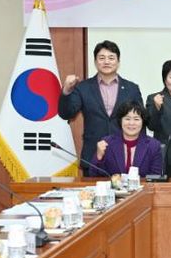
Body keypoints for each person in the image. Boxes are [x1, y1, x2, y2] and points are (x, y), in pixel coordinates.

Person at [58, 40, 143, 175]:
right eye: (102, 58)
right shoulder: (83, 87)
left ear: (118, 62)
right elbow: (66, 113)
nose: (106, 62)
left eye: (111, 58)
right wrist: (66, 91)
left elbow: (141, 121)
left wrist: (140, 153)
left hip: (124, 156)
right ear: (95, 62)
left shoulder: (131, 88)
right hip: (92, 156)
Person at [89, 101, 162, 177]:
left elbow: (155, 177)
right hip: (114, 185)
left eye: (136, 119)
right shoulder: (107, 143)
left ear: (143, 122)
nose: (131, 123)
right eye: (127, 119)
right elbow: (93, 175)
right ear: (120, 121)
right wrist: (99, 157)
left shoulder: (153, 146)